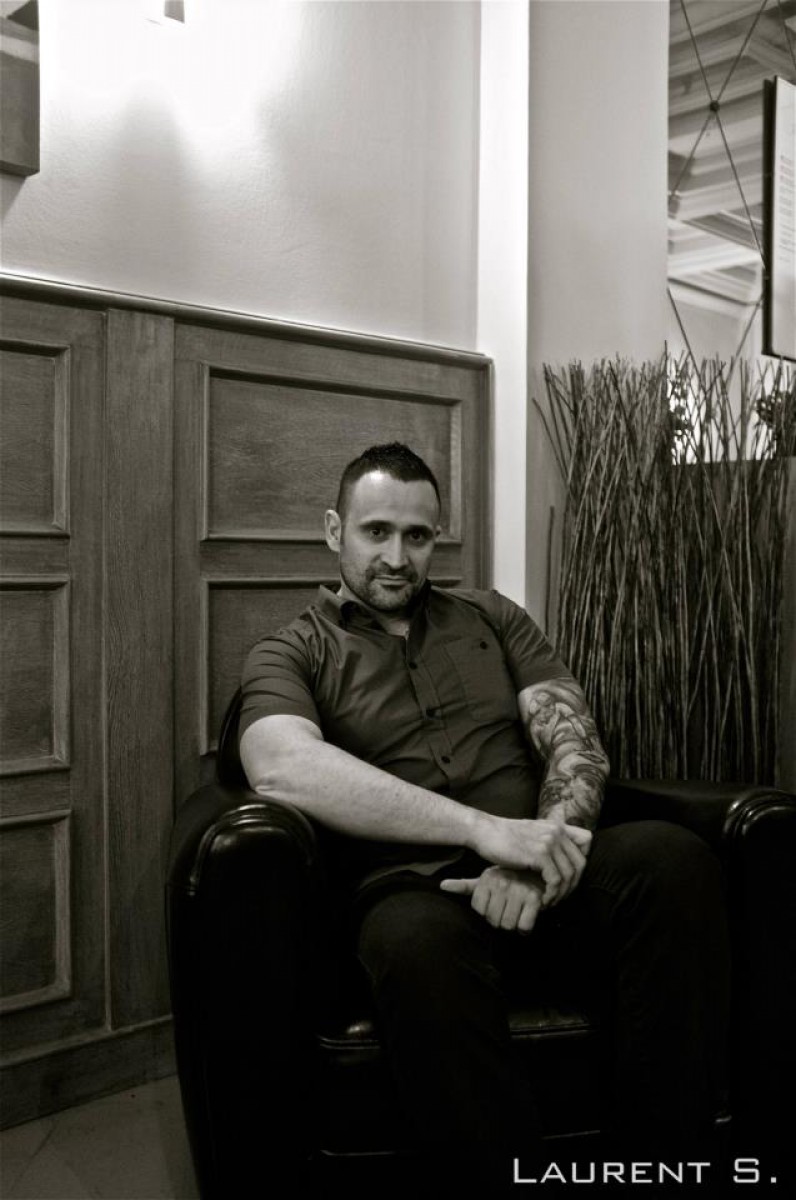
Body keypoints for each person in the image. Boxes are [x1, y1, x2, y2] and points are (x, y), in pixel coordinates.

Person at [239, 443, 730, 1193]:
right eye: (376, 532)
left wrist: (543, 854)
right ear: (334, 530)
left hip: (542, 868)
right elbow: (281, 764)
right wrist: (482, 831)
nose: (397, 557)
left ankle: (661, 1167)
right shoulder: (291, 651)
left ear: (437, 538)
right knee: (412, 942)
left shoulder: (492, 617)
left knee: (671, 858)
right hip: (414, 891)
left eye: (417, 535)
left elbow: (573, 740)